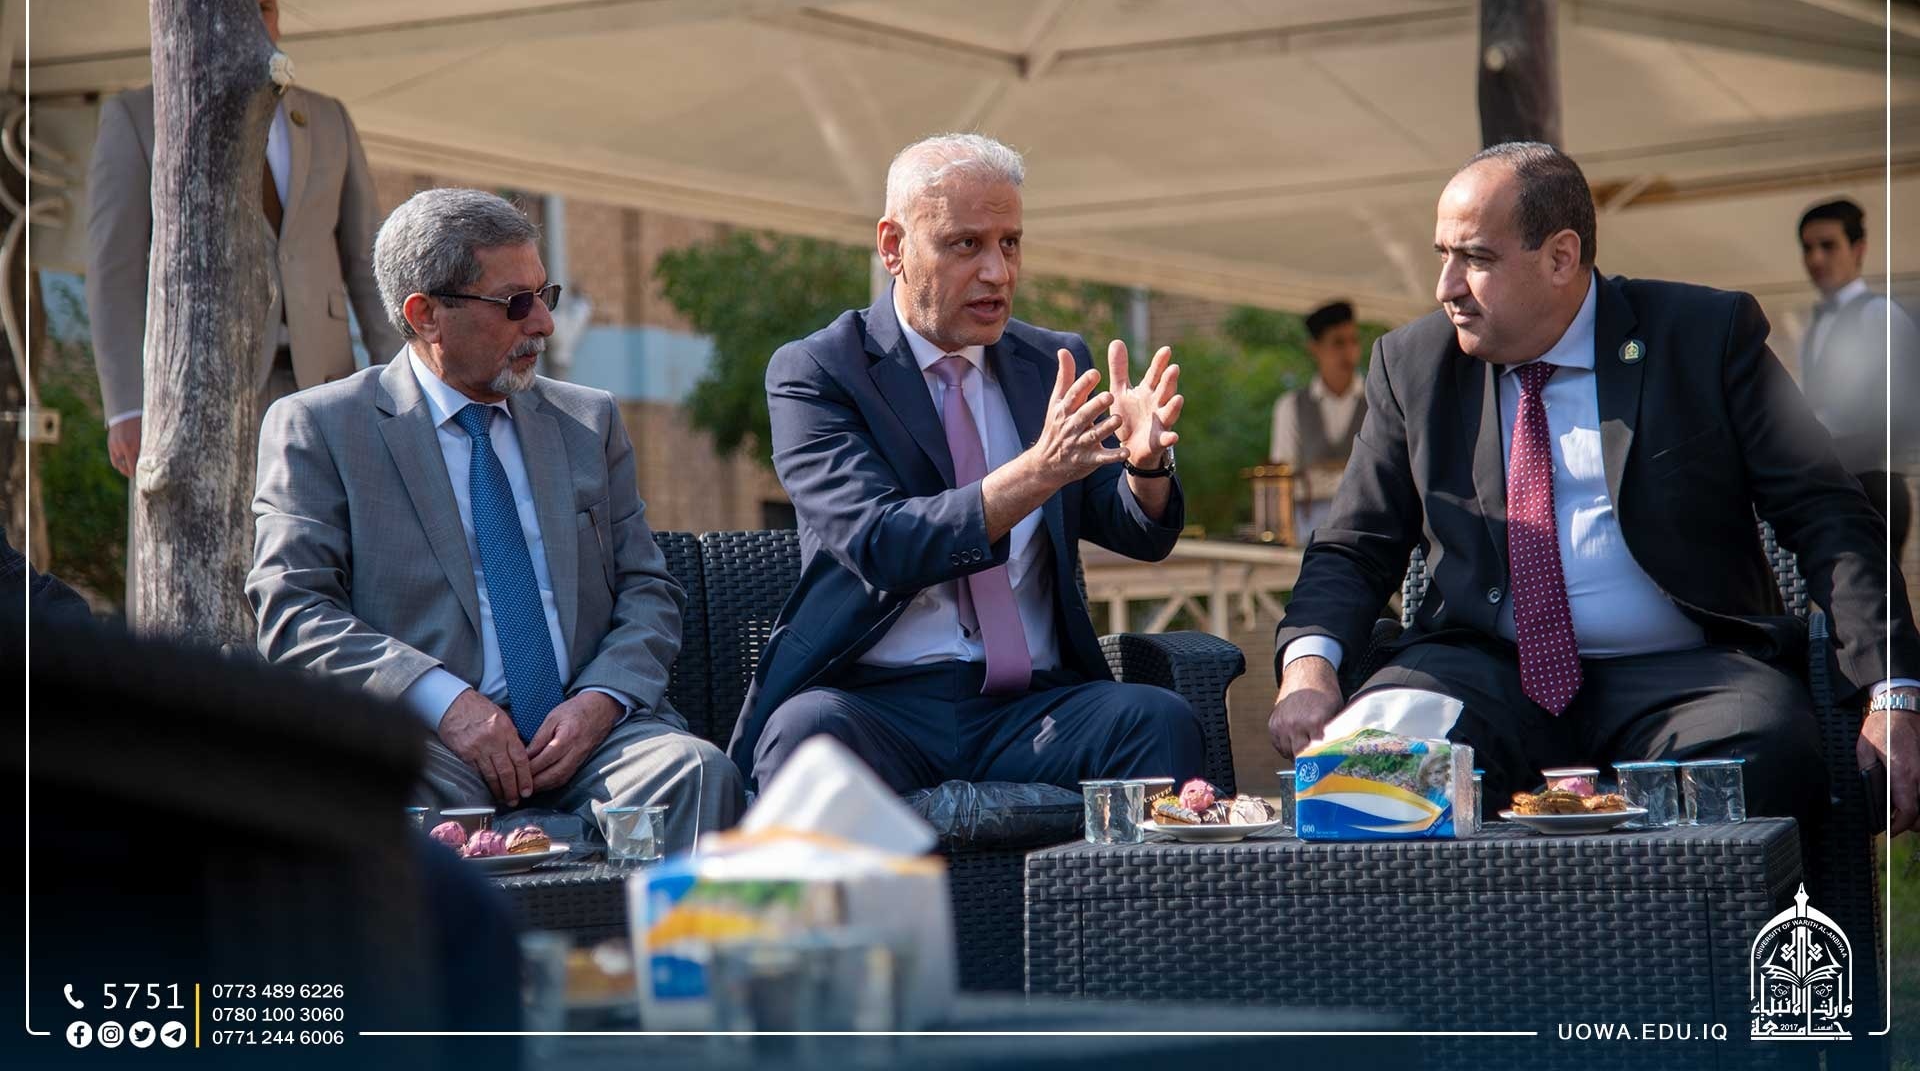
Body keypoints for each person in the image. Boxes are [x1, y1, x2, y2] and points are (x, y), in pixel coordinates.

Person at [1267, 142, 1920, 835]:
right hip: (1478, 671)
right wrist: (1308, 666)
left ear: (1561, 257)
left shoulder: (1703, 338)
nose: (1446, 287)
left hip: (1693, 677)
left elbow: (1825, 512)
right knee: (1359, 785)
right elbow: (1353, 544)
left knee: (1755, 768)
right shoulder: (1414, 366)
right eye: (1443, 256)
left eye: (1476, 259)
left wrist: (1893, 691)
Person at [247, 188, 741, 851]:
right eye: (515, 303)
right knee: (378, 791)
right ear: (426, 315)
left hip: (595, 742)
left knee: (696, 774)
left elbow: (648, 590)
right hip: (427, 743)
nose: (544, 324)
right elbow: (294, 610)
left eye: (544, 295)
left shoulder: (587, 421)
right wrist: (446, 702)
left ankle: (639, 922)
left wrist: (601, 701)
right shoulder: (323, 428)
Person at [730, 133, 1202, 794]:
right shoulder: (819, 371)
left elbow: (1131, 530)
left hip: (1031, 708)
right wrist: (1037, 471)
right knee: (805, 735)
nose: (997, 272)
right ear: (893, 246)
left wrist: (1145, 469)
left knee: (1158, 720)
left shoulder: (1052, 363)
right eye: (966, 244)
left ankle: (1149, 873)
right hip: (877, 706)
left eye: (1010, 243)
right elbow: (882, 543)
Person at [86, 0, 402, 482]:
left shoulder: (328, 118)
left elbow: (372, 264)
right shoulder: (139, 118)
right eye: (243, 7)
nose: (259, 21)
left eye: (268, 7)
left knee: (325, 533)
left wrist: (399, 381)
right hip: (199, 394)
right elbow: (114, 270)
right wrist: (126, 406)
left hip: (325, 387)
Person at [1797, 197, 1919, 559]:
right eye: (1808, 248)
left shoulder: (1879, 314)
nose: (1816, 259)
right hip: (1832, 487)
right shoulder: (1814, 326)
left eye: (1828, 245)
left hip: (1872, 484)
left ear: (1859, 249)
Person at [1270, 300, 1366, 542]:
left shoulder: (1378, 402)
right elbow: (1284, 478)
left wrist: (1318, 475)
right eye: (1338, 343)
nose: (1348, 351)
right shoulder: (1290, 406)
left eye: (1353, 341)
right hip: (1308, 532)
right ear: (1315, 348)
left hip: (1367, 526)